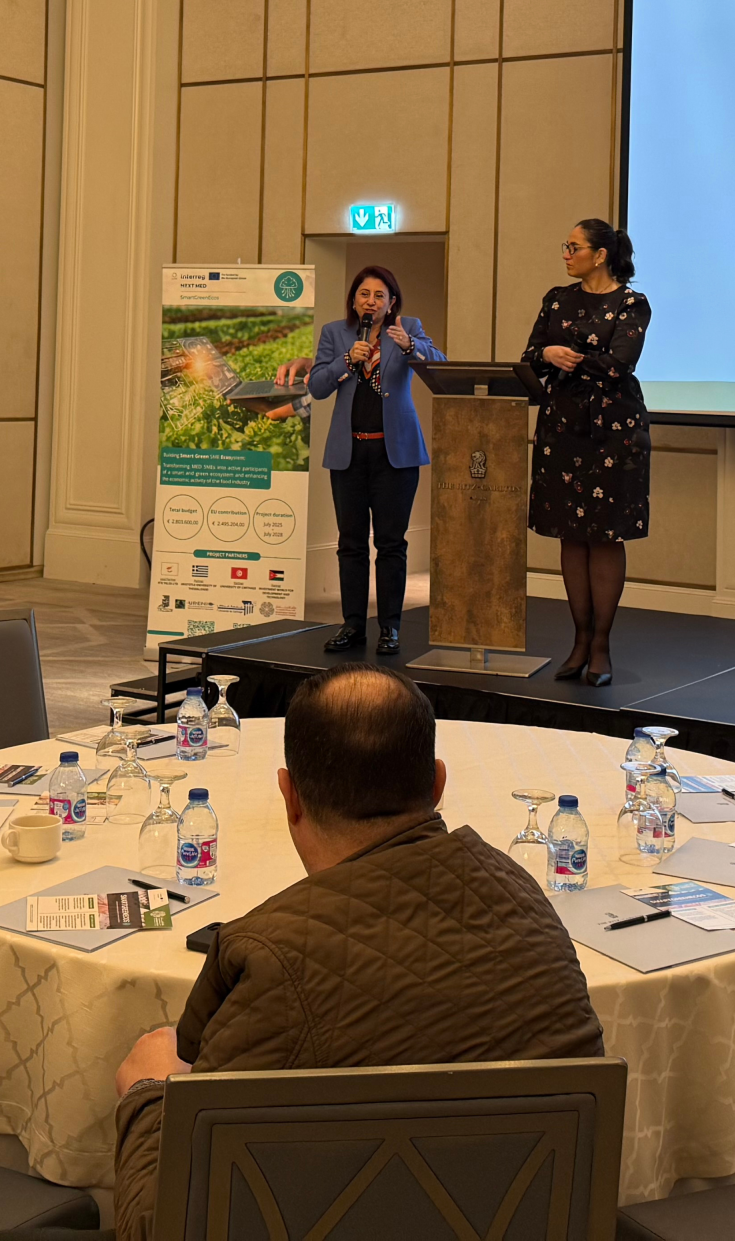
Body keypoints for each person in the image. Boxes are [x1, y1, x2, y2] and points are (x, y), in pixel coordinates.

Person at [108, 665, 600, 1239]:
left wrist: (148, 1097)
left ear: (290, 797)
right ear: (438, 784)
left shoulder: (270, 957)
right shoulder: (526, 896)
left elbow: (166, 1226)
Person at [522, 220, 651, 687]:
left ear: (600, 255)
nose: (565, 253)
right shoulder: (557, 299)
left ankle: (600, 646)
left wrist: (568, 357)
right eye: (566, 246)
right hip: (561, 426)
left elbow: (619, 364)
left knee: (605, 535)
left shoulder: (632, 303)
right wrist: (548, 355)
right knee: (570, 535)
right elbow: (530, 355)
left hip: (613, 432)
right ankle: (578, 641)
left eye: (573, 247)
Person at [292, 267, 443, 657]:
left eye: (379, 295)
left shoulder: (408, 328)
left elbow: (438, 366)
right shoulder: (336, 333)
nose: (371, 301)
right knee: (351, 544)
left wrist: (410, 346)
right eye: (364, 294)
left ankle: (390, 627)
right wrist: (346, 360)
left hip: (395, 456)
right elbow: (318, 387)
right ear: (354, 299)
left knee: (391, 544)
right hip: (350, 454)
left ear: (392, 303)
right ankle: (353, 625)